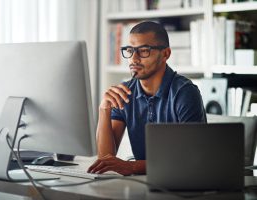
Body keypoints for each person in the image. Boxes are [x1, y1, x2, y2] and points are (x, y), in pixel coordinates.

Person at [87, 21, 206, 176]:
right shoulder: (125, 92)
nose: (134, 59)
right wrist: (104, 109)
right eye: (130, 50)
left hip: (180, 184)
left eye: (143, 51)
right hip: (143, 184)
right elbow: (106, 159)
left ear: (165, 54)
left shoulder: (185, 93)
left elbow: (191, 159)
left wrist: (132, 167)